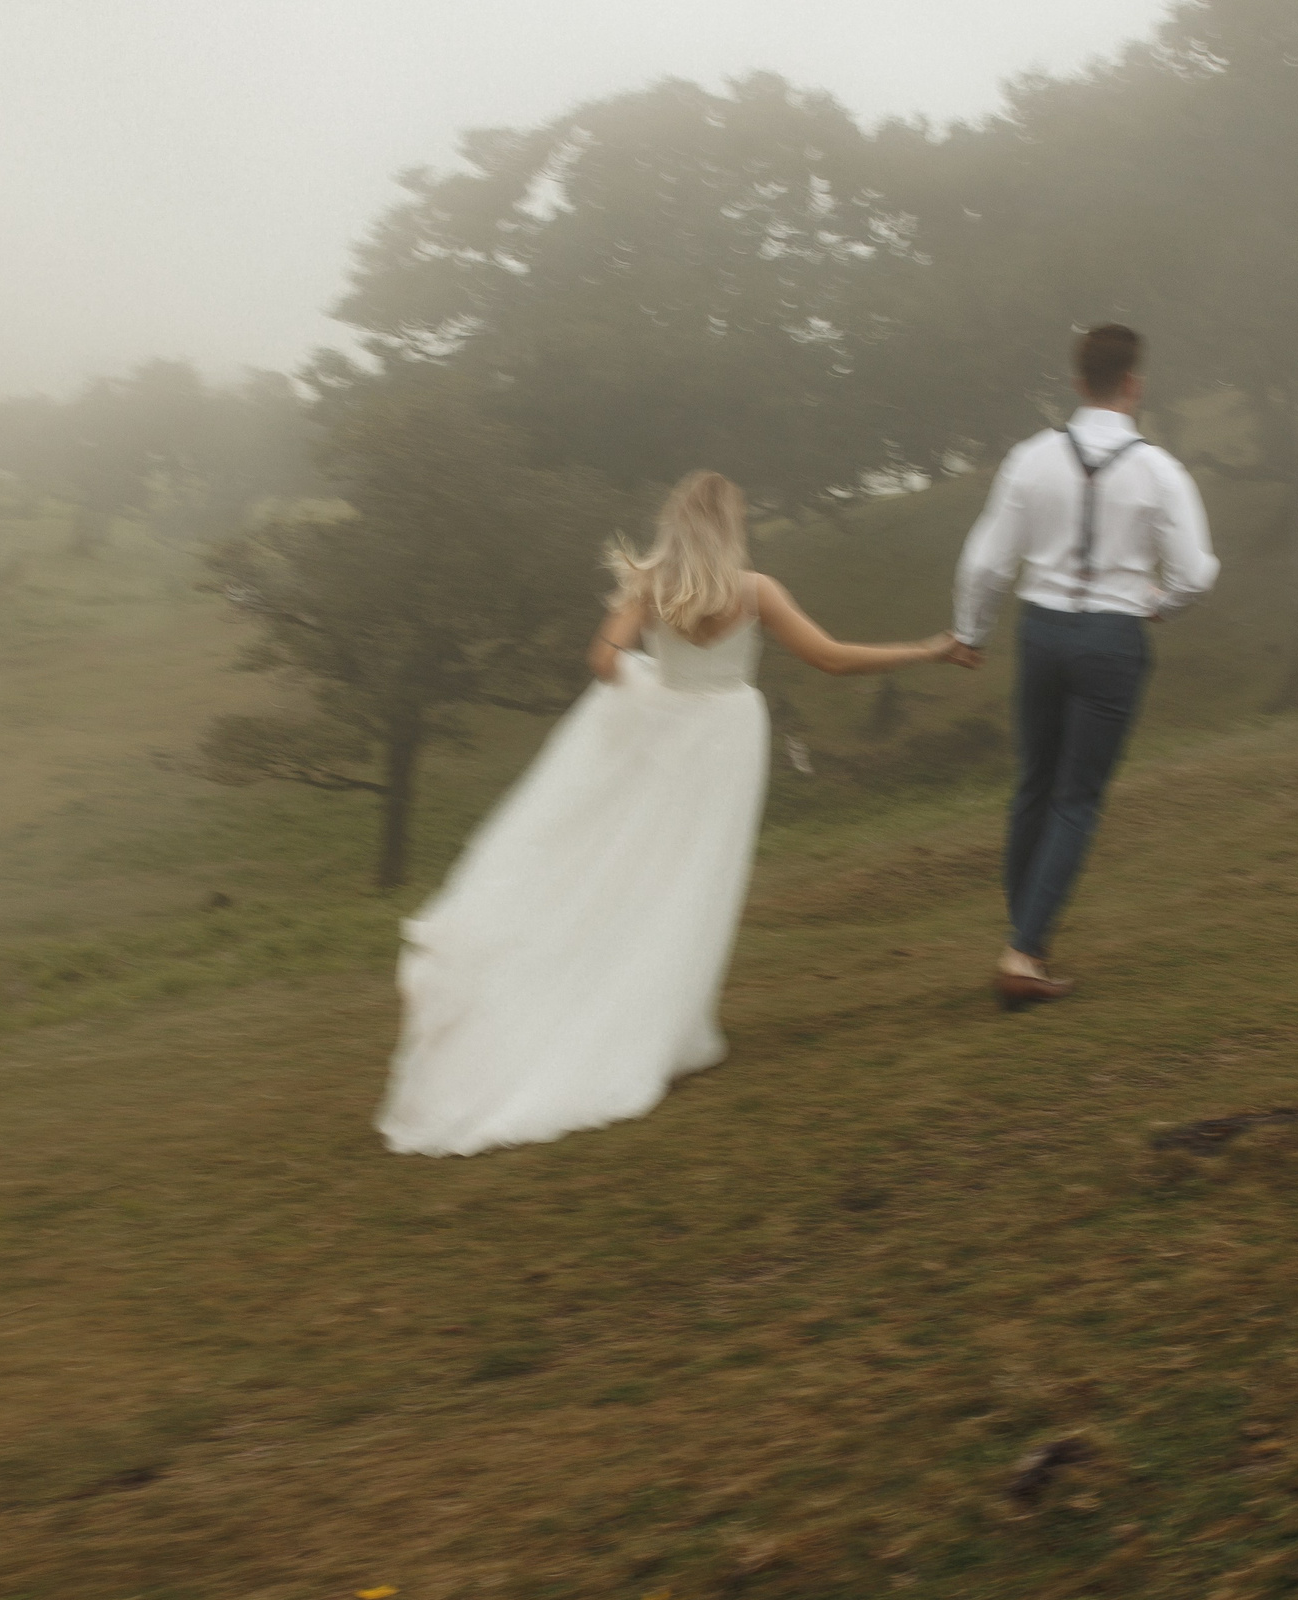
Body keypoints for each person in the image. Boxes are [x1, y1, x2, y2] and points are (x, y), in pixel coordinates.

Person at [378, 470, 969, 1156]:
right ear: (730, 526)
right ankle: (657, 1026)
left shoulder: (650, 584)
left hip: (667, 739)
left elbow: (603, 659)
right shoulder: (755, 591)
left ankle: (626, 1014)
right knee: (688, 883)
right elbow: (830, 659)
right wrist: (926, 648)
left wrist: (652, 689)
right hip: (724, 742)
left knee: (636, 875)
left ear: (677, 524)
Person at [951, 324, 1219, 1008]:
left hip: (1041, 632)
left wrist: (971, 630)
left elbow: (985, 561)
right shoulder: (1159, 469)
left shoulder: (1031, 458)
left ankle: (1025, 936)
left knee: (1034, 786)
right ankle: (1025, 950)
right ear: (1134, 383)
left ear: (1077, 383)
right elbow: (1195, 571)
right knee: (1077, 797)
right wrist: (1158, 603)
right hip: (1112, 637)